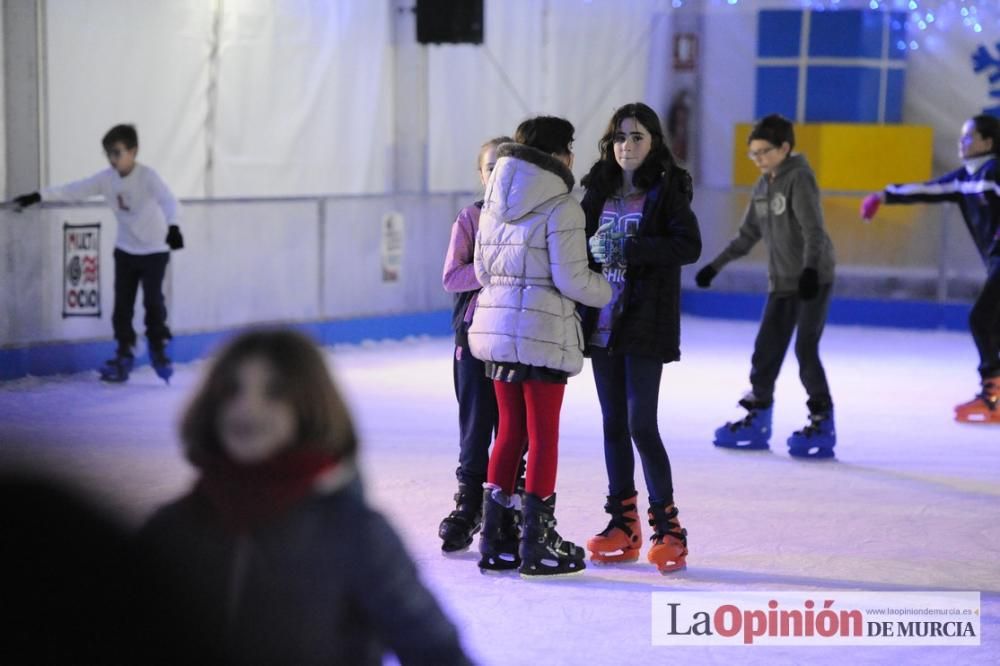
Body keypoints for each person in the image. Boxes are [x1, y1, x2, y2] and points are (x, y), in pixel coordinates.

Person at [136, 329, 471, 665]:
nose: (247, 407)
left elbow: (438, 653)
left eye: (275, 391)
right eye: (231, 389)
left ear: (309, 404)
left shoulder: (355, 534)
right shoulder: (173, 530)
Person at [469, 116, 612, 577]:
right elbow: (572, 279)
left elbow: (483, 272)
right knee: (543, 433)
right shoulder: (562, 206)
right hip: (544, 332)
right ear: (560, 155)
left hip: (497, 333)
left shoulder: (491, 202)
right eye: (570, 148)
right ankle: (538, 541)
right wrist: (605, 288)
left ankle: (497, 538)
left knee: (509, 431)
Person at [579, 102, 701, 574]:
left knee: (640, 425)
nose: (626, 146)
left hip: (644, 322)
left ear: (653, 144)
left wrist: (629, 248)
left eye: (637, 137)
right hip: (601, 324)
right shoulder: (596, 191)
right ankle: (622, 524)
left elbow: (687, 245)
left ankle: (668, 529)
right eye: (620, 137)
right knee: (613, 424)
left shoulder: (667, 190)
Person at [695, 113, 837, 459]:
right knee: (766, 349)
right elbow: (748, 234)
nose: (757, 159)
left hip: (811, 278)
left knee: (805, 349)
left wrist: (809, 271)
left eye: (763, 152)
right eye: (753, 153)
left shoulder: (799, 179)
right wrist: (716, 265)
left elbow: (814, 230)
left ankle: (822, 422)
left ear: (785, 148)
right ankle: (758, 417)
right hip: (781, 282)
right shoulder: (762, 186)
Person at [11, 124, 183, 384]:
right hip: (125, 250)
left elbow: (170, 201)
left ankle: (158, 347)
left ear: (133, 151)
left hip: (154, 251)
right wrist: (38, 195)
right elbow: (74, 189)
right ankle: (124, 355)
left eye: (117, 152)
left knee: (153, 303)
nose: (112, 159)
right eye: (108, 154)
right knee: (121, 308)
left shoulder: (148, 177)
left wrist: (173, 226)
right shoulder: (107, 179)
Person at [861, 114, 1000, 424]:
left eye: (969, 137)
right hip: (995, 261)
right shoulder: (965, 178)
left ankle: (992, 396)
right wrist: (883, 195)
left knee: (982, 320)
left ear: (988, 143)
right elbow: (928, 189)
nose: (961, 143)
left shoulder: (994, 172)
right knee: (992, 326)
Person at [438, 135, 514, 554]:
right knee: (475, 426)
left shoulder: (529, 219)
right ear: (480, 175)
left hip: (515, 337)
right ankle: (469, 504)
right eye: (491, 168)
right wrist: (495, 272)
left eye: (506, 168)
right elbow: (453, 276)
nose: (497, 176)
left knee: (512, 427)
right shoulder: (471, 218)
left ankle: (506, 505)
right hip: (473, 337)